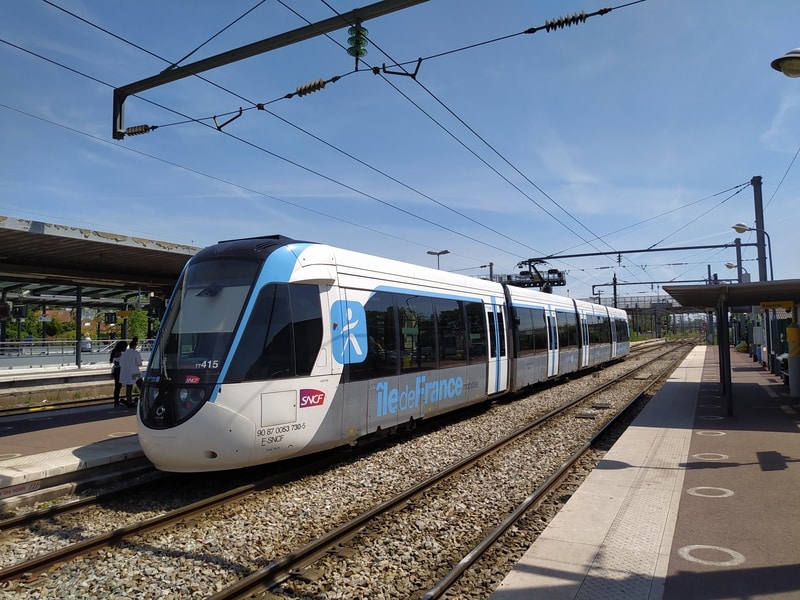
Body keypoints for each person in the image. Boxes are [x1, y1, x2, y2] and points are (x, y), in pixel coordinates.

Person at [119, 336, 143, 408]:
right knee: (141, 385)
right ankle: (144, 397)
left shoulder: (124, 354)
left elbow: (121, 363)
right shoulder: (135, 353)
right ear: (135, 346)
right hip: (135, 372)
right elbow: (139, 363)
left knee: (129, 387)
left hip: (126, 373)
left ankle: (129, 401)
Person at [109, 340, 128, 407]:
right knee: (118, 386)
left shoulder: (114, 351)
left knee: (117, 386)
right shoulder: (121, 353)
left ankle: (116, 402)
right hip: (119, 370)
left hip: (115, 370)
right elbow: (120, 362)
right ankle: (116, 402)